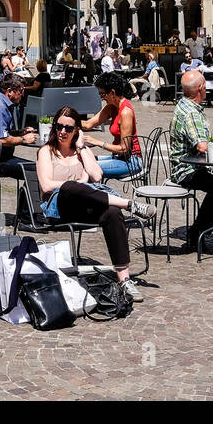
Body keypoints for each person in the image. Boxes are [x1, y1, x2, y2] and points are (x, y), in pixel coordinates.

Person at [35, 106, 155, 302]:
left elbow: (97, 176)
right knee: (69, 187)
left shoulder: (82, 151)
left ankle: (124, 280)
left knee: (113, 213)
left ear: (76, 131)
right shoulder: (46, 151)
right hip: (59, 209)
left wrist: (81, 148)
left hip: (84, 207)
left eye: (68, 128)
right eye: (59, 126)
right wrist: (78, 183)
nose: (63, 132)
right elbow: (47, 185)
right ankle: (129, 204)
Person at [169, 70, 213, 253]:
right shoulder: (191, 113)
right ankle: (197, 233)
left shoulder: (185, 105)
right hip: (185, 169)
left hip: (194, 165)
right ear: (201, 88)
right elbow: (202, 146)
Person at [79, 71, 141, 180]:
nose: (101, 97)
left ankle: (95, 196)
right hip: (118, 158)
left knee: (87, 167)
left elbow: (124, 149)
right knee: (81, 161)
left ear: (112, 93)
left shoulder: (125, 112)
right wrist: (67, 120)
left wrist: (96, 142)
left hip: (131, 161)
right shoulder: (112, 106)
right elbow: (88, 124)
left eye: (102, 94)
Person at [0, 73, 37, 182]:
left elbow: (0, 132)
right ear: (9, 91)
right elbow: (3, 140)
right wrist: (24, 139)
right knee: (36, 171)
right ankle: (30, 198)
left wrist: (19, 132)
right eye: (21, 91)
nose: (23, 94)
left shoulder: (1, 103)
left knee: (36, 169)